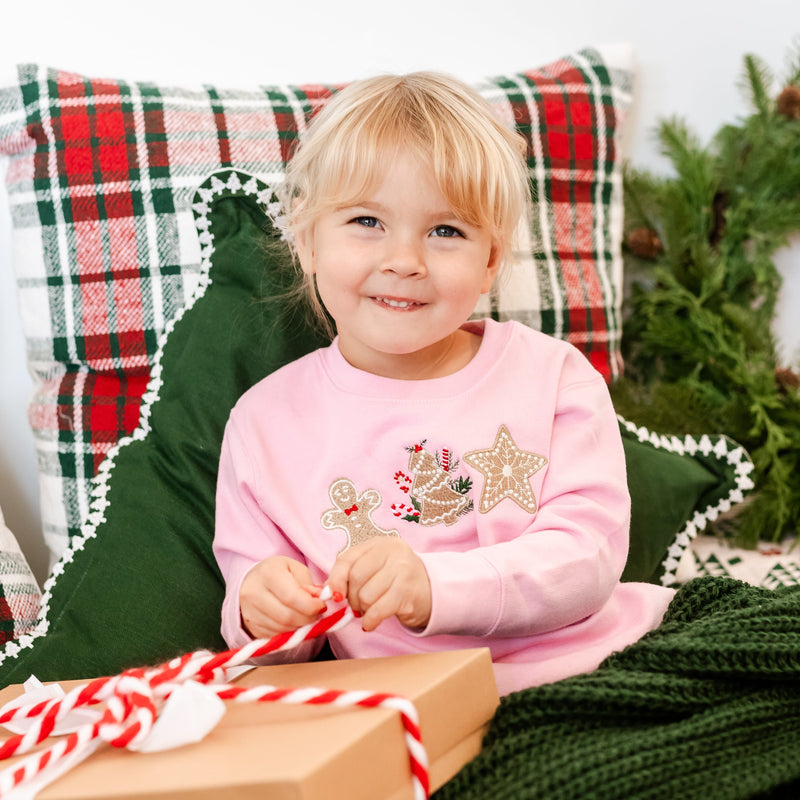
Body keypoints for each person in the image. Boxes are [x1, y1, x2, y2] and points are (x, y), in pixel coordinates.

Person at [213, 71, 675, 696]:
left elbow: (587, 556)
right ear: (306, 239)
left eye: (446, 231)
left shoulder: (553, 377)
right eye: (366, 221)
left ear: (490, 260)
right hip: (414, 708)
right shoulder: (264, 423)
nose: (404, 259)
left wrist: (433, 587)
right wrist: (260, 609)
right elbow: (271, 637)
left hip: (598, 668)